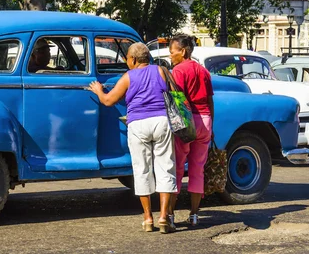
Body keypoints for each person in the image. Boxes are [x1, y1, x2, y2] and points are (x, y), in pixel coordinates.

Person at [88, 43, 177, 233]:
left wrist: (98, 90)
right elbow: (173, 92)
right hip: (162, 121)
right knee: (165, 168)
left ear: (134, 60)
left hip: (137, 124)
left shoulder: (128, 76)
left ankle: (147, 218)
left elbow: (108, 101)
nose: (126, 61)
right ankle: (164, 217)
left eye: (127, 58)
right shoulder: (161, 70)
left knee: (142, 170)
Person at [168, 34, 214, 227]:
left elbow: (178, 99)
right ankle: (194, 215)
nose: (171, 56)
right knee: (197, 169)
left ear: (183, 51)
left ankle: (169, 214)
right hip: (205, 120)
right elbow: (210, 100)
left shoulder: (178, 71)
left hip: (188, 121)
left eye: (173, 52)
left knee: (177, 168)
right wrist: (212, 125)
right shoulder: (203, 71)